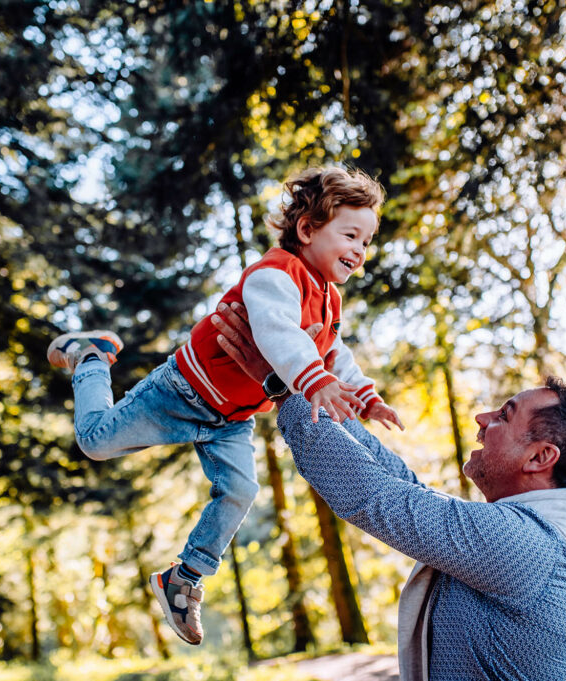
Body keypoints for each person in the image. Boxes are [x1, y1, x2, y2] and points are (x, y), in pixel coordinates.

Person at [45, 166, 403, 645]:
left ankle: (184, 577)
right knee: (95, 442)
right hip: (181, 393)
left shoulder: (329, 301)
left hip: (231, 420)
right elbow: (280, 334)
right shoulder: (275, 274)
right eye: (351, 235)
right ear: (307, 229)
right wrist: (313, 379)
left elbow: (335, 354)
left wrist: (366, 396)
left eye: (367, 241)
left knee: (240, 490)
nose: (360, 250)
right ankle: (90, 357)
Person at [211, 301, 566, 680]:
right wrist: (315, 389)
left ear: (540, 457)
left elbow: (373, 495)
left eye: (504, 416)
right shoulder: (533, 533)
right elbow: (402, 486)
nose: (482, 418)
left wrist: (280, 382)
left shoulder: (524, 543)